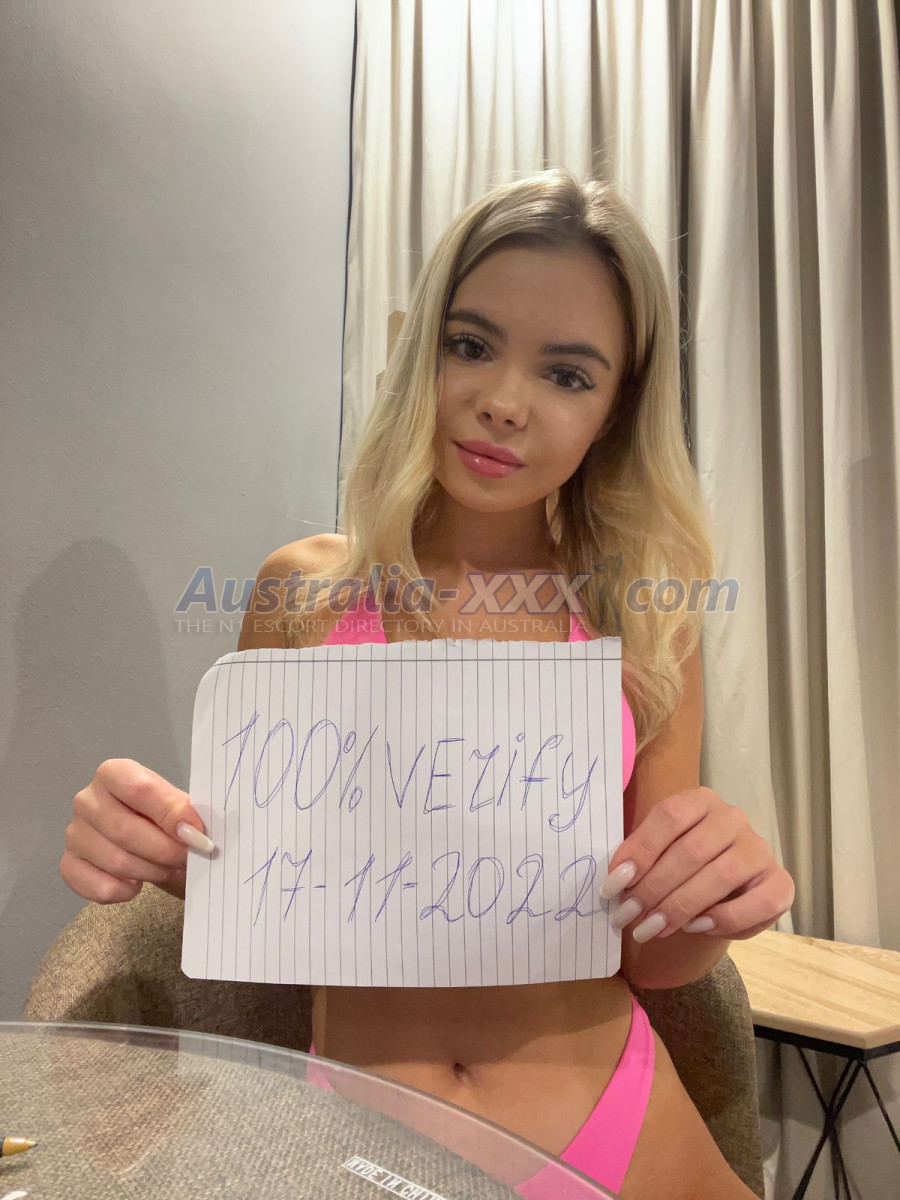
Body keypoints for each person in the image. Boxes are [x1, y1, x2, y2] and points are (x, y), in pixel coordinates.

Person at [61, 167, 794, 1199]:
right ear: (420, 352)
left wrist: (718, 894)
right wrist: (153, 845)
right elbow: (269, 887)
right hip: (366, 1135)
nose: (503, 403)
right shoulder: (303, 592)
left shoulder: (646, 617)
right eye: (471, 345)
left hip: (622, 1125)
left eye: (567, 374)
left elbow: (653, 956)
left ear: (616, 409)